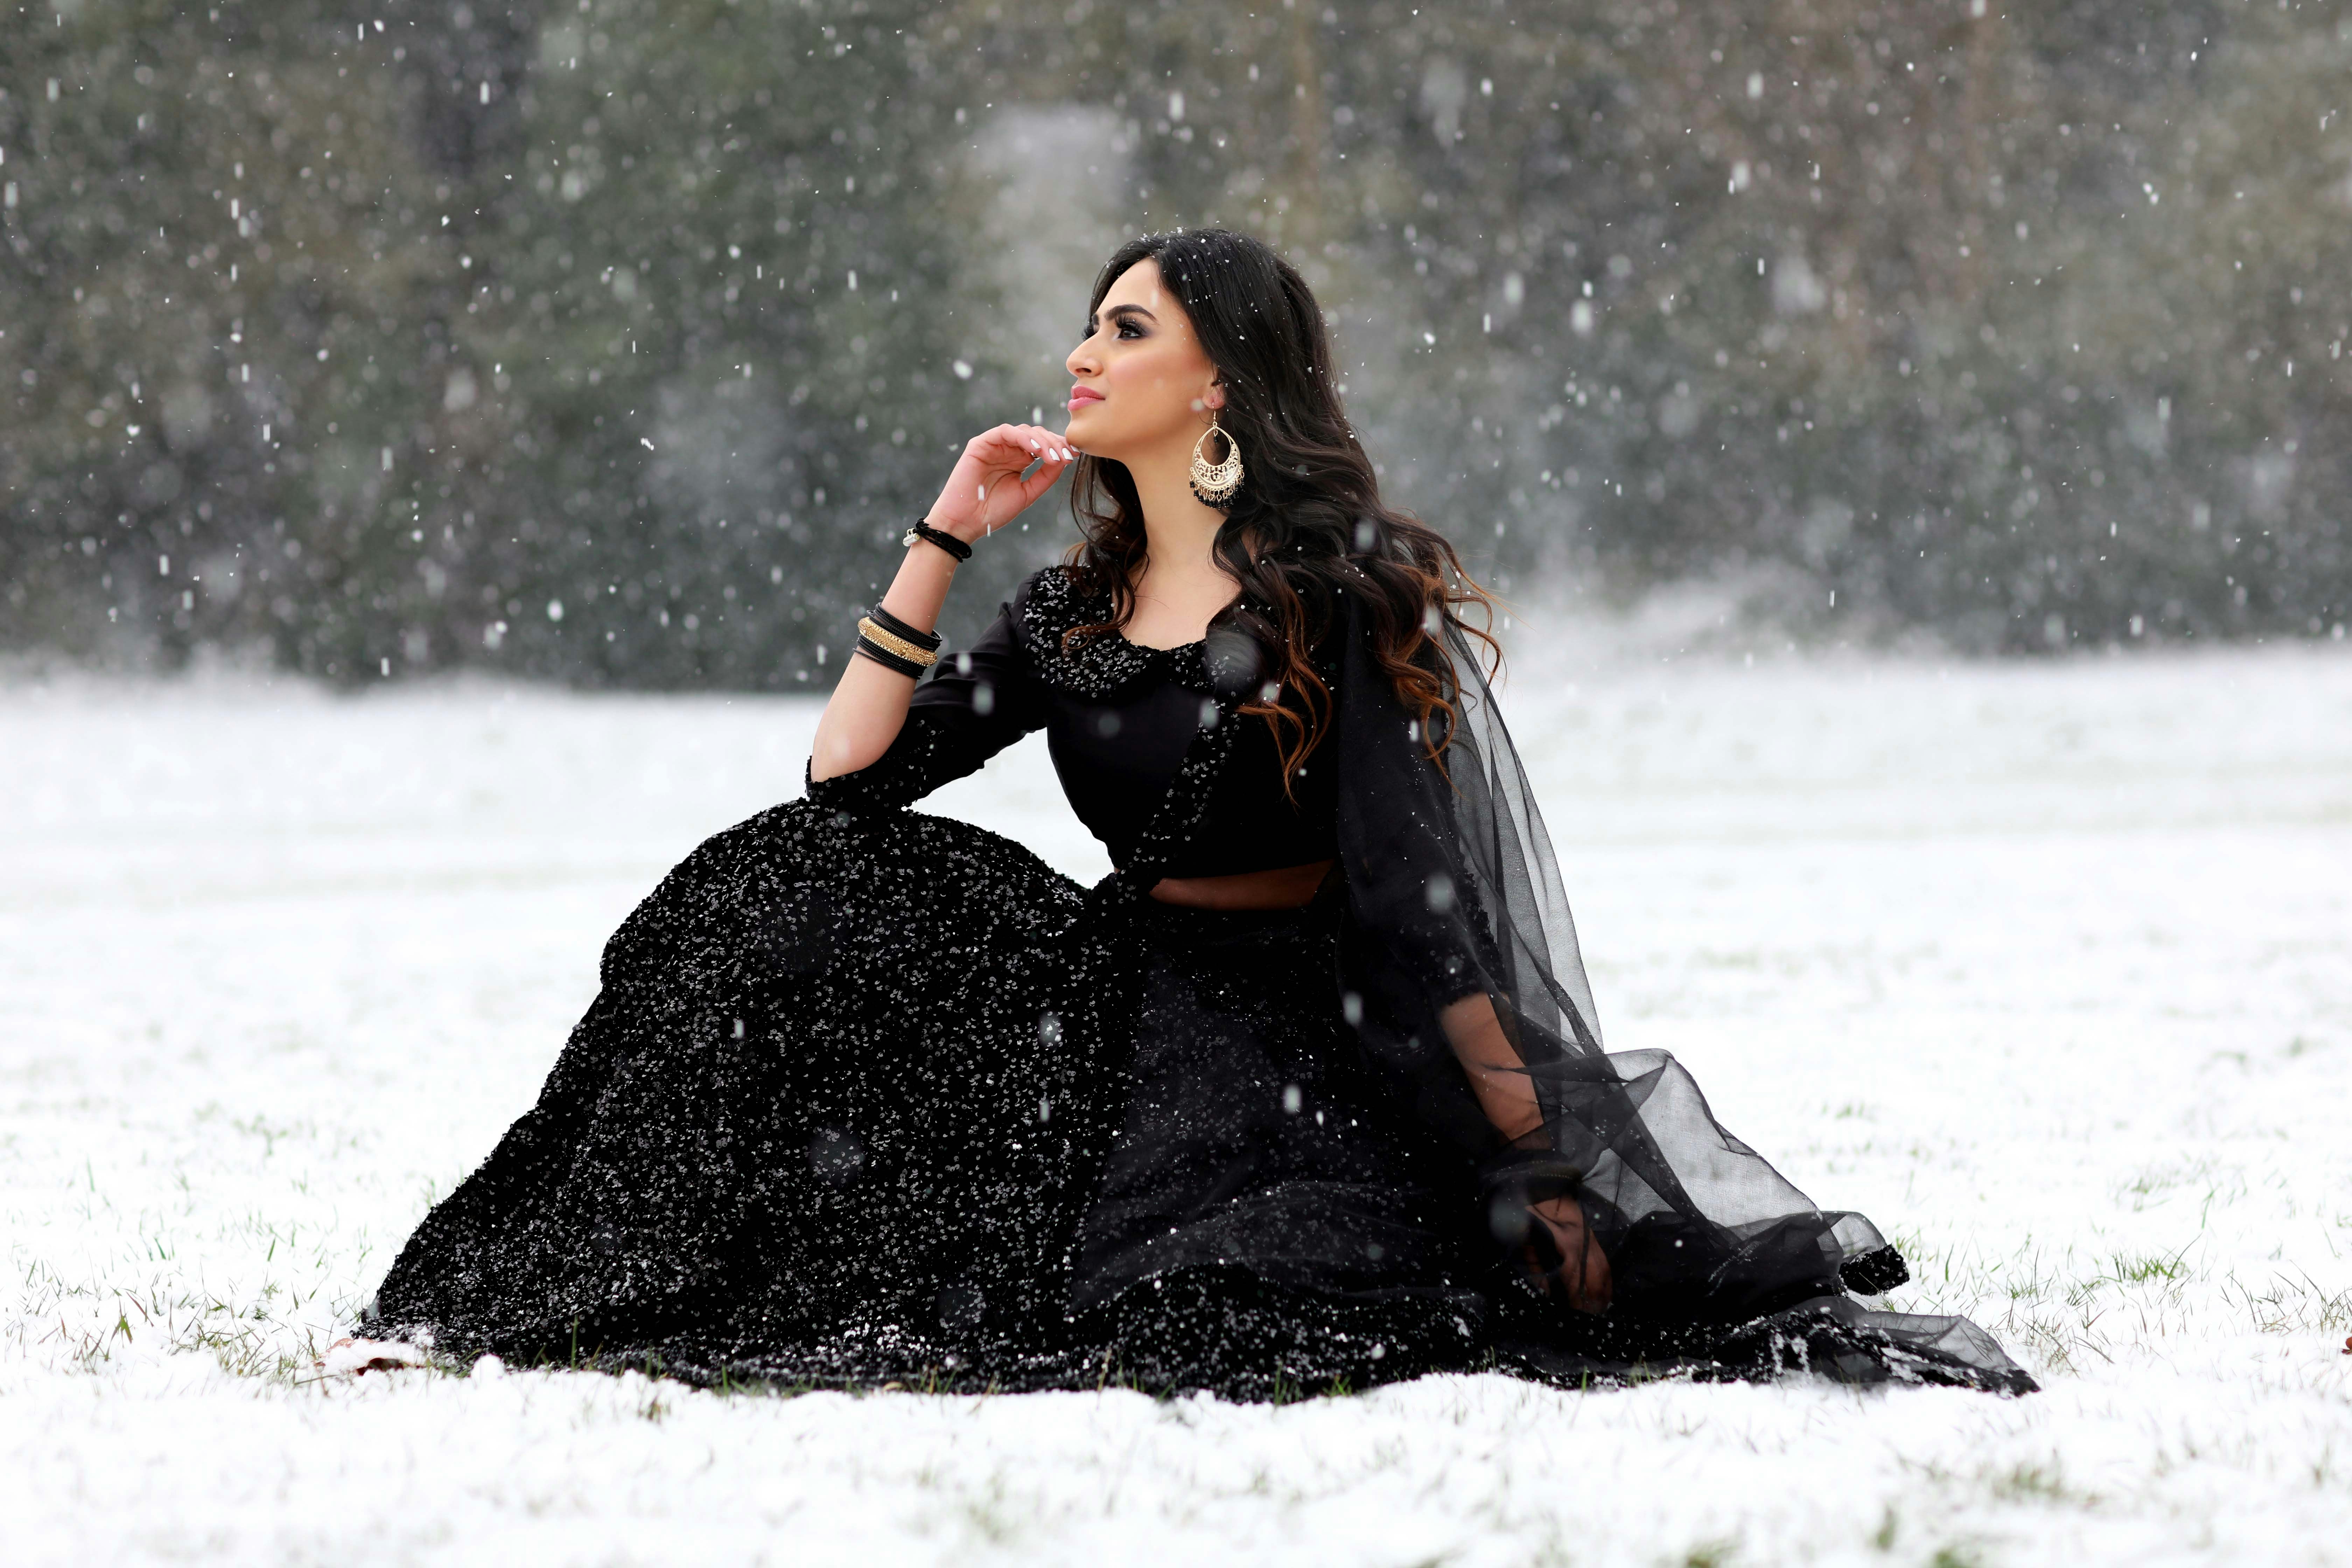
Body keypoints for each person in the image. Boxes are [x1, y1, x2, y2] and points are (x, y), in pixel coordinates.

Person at [332, 229, 2034, 1398]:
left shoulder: (1332, 598)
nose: (1084, 352)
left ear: (1223, 380)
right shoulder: (1072, 610)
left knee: (1199, 1297)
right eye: (1089, 323)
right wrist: (945, 531)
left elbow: (1416, 897)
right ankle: (564, 1263)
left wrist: (1542, 1163)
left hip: (1299, 1028)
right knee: (768, 889)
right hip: (1104, 995)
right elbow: (848, 778)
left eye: (1129, 328)